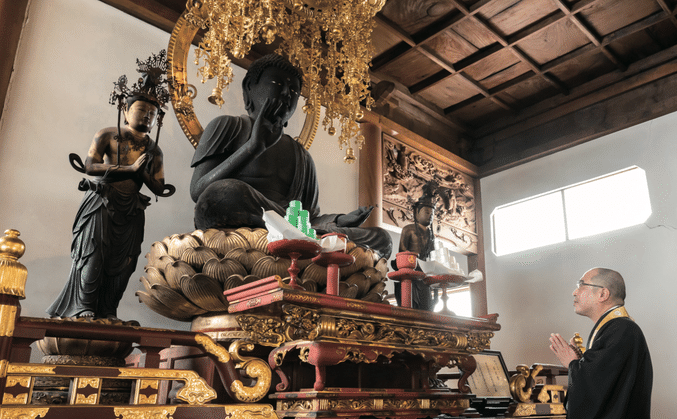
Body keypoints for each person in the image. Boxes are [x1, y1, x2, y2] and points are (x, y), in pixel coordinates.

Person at [189, 54, 391, 258]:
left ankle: (297, 237)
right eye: (277, 84)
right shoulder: (228, 126)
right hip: (244, 222)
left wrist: (339, 221)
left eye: (294, 91)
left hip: (294, 230)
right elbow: (199, 192)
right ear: (249, 87)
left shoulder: (301, 156)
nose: (287, 94)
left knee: (381, 239)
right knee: (222, 194)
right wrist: (252, 147)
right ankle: (297, 238)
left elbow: (309, 217)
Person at [48, 52, 174, 319]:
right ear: (125, 110)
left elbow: (159, 187)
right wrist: (129, 169)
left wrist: (142, 175)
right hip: (102, 201)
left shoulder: (154, 149)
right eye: (141, 110)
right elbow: (90, 167)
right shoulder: (107, 134)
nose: (147, 116)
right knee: (93, 254)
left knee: (125, 262)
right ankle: (82, 306)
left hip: (132, 209)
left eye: (153, 113)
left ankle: (108, 309)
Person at [548, 268, 653, 419]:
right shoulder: (617, 329)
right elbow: (605, 381)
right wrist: (581, 363)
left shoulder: (623, 330)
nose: (574, 292)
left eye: (581, 285)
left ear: (603, 294)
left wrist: (572, 363)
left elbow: (596, 390)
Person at [396, 195, 438, 310]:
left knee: (427, 307)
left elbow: (433, 255)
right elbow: (402, 252)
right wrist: (413, 262)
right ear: (416, 213)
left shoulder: (431, 234)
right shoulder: (408, 229)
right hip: (411, 271)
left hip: (425, 274)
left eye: (432, 214)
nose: (430, 216)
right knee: (412, 305)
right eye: (426, 212)